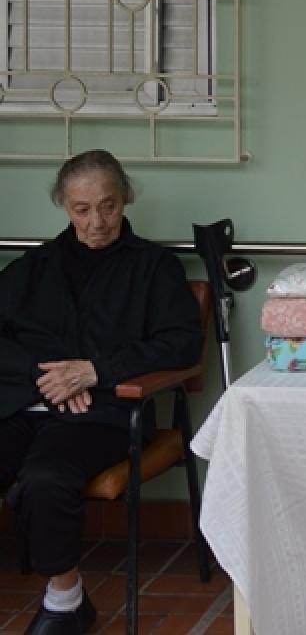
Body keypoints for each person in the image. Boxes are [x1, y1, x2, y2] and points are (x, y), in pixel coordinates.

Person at [0, 150, 203, 635]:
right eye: (82, 209)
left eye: (108, 206)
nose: (96, 222)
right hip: (21, 405)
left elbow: (181, 341)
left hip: (102, 414)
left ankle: (65, 602)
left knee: (45, 479)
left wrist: (96, 371)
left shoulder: (155, 267)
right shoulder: (34, 267)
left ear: (125, 198)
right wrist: (43, 377)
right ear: (65, 208)